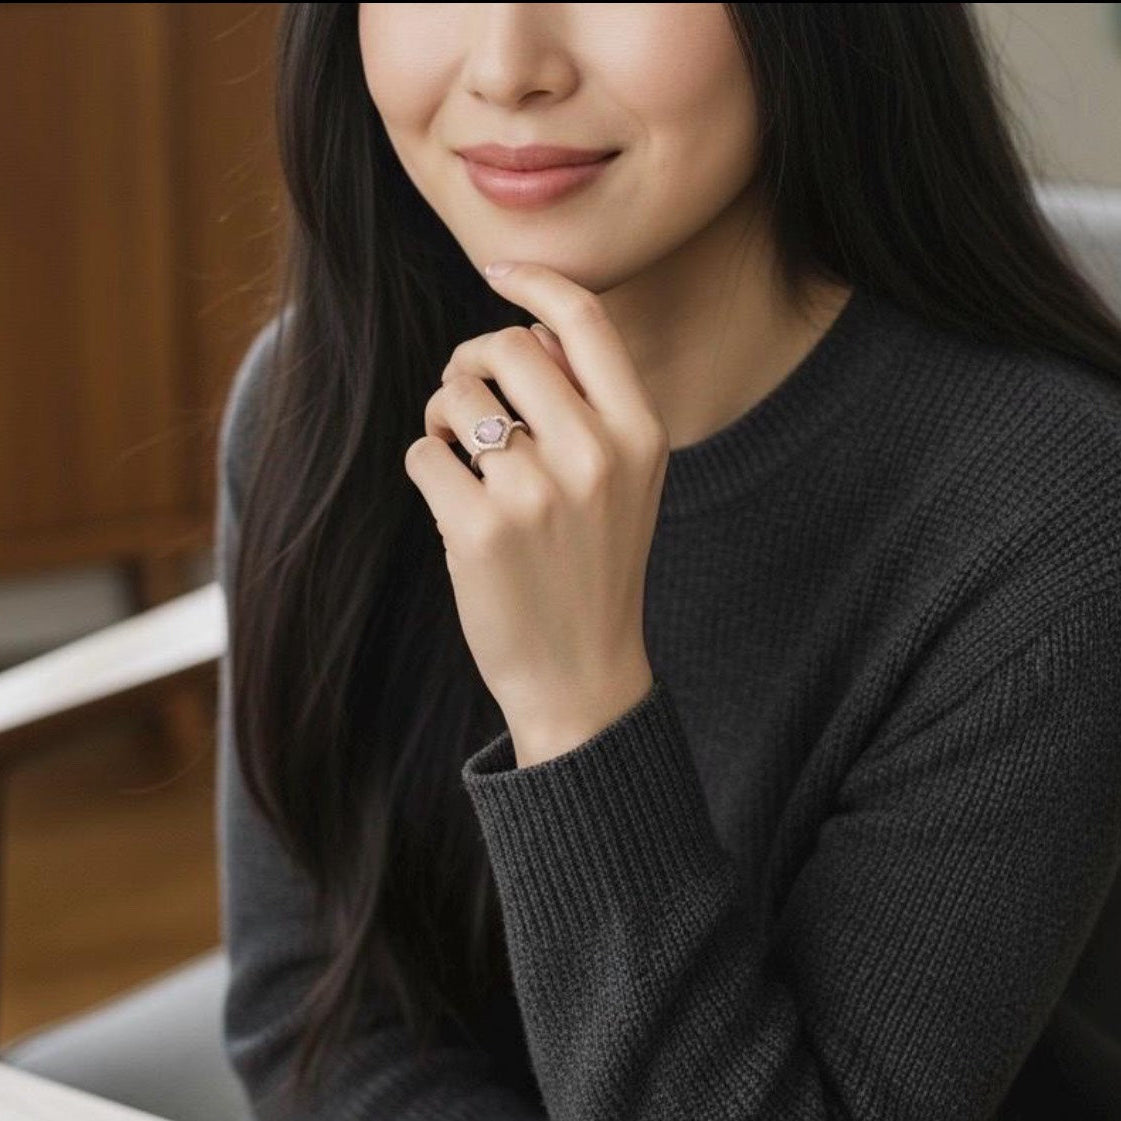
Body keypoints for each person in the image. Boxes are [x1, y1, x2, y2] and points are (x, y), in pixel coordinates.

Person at [215, 5, 1121, 1120]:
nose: (508, 68)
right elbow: (316, 1018)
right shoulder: (320, 402)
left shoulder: (1051, 509)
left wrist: (575, 701)